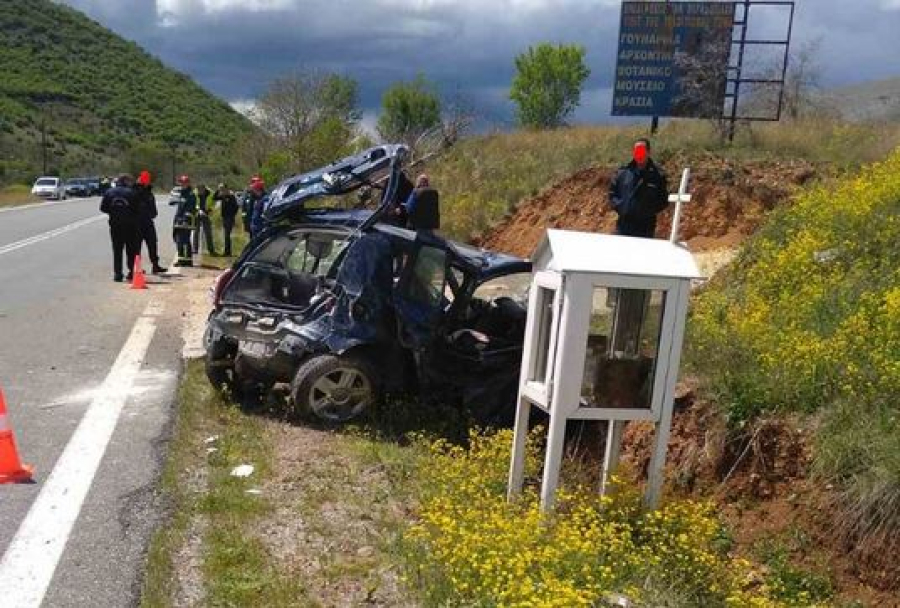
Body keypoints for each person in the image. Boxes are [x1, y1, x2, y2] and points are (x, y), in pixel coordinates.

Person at [608, 138, 669, 238]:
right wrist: (621, 207)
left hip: (645, 227)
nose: (639, 153)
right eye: (636, 150)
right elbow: (612, 193)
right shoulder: (623, 173)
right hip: (624, 226)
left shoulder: (657, 175)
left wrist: (648, 211)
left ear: (649, 152)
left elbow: (663, 200)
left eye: (642, 150)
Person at [99, 174, 141, 282]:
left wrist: (113, 212)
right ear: (126, 181)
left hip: (115, 225)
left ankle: (118, 274)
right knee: (131, 250)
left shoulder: (109, 192)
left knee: (117, 250)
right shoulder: (131, 193)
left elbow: (103, 208)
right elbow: (138, 209)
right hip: (130, 226)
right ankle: (132, 272)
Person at [134, 170, 167, 274]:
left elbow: (153, 207)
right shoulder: (135, 192)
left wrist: (153, 213)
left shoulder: (149, 192)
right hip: (137, 223)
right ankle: (137, 268)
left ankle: (155, 265)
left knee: (152, 244)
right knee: (136, 247)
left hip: (148, 222)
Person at [172, 175, 197, 267]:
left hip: (185, 221)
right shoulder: (181, 193)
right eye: (181, 182)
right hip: (178, 219)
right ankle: (181, 260)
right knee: (178, 240)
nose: (182, 184)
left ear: (188, 183)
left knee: (184, 240)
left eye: (184, 182)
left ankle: (187, 261)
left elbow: (190, 209)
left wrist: (185, 220)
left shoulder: (190, 195)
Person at [213, 183, 239, 256]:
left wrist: (232, 215)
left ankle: (227, 252)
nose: (222, 190)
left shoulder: (231, 196)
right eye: (221, 189)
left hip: (229, 217)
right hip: (224, 217)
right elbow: (214, 198)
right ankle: (227, 251)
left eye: (223, 189)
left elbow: (236, 207)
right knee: (226, 235)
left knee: (227, 235)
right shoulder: (223, 196)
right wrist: (218, 190)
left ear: (227, 189)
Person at [192, 183, 218, 256]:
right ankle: (195, 249)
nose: (200, 191)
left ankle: (211, 250)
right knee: (196, 232)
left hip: (207, 214)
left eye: (201, 190)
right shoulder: (194, 193)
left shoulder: (211, 193)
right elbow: (193, 203)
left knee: (208, 232)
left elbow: (214, 203)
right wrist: (198, 209)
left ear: (204, 189)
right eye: (198, 190)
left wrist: (209, 210)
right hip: (197, 214)